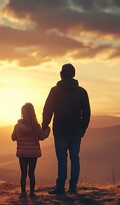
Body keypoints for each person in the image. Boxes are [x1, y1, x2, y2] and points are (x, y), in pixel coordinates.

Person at [42, 63, 91, 195]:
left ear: (61, 74)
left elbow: (48, 110)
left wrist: (45, 125)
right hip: (75, 131)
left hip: (60, 130)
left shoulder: (55, 91)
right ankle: (73, 187)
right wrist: (83, 129)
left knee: (62, 160)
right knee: (75, 159)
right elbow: (86, 113)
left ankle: (60, 188)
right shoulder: (82, 92)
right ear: (74, 74)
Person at [12, 103, 50, 198]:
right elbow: (41, 137)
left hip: (22, 153)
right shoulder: (35, 126)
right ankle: (32, 192)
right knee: (31, 173)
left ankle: (23, 192)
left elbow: (13, 137)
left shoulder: (17, 126)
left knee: (23, 173)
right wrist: (47, 130)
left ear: (22, 113)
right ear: (33, 113)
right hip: (33, 154)